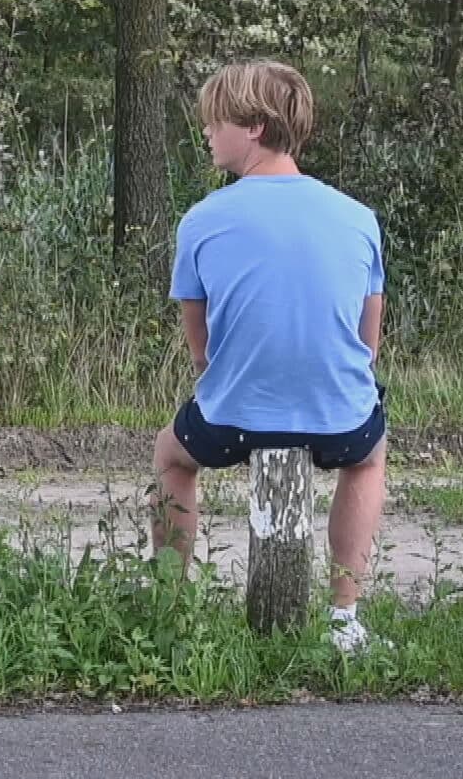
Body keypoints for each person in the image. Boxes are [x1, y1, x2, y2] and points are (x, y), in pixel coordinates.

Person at [150, 61, 389, 653]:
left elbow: (200, 345)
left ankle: (170, 607)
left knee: (170, 454)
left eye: (215, 120)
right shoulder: (358, 218)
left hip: (232, 422)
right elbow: (368, 342)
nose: (206, 131)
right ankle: (344, 618)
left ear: (254, 127)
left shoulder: (202, 221)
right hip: (339, 419)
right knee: (368, 457)